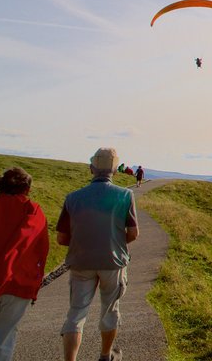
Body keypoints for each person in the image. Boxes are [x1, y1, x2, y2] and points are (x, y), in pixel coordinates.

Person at [57, 148, 138, 361]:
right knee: (110, 310)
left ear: (91, 168)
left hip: (81, 261)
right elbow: (133, 233)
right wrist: (115, 242)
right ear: (115, 170)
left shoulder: (73, 198)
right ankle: (105, 355)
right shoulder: (125, 195)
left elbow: (61, 238)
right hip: (113, 261)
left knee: (76, 313)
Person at [0, 168, 49, 361]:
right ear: (27, 188)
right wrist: (35, 284)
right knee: (6, 338)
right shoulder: (34, 211)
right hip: (18, 283)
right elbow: (42, 250)